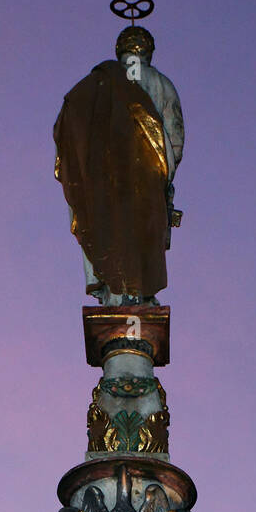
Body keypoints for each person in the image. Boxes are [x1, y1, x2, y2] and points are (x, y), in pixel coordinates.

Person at [53, 25, 184, 304]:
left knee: (106, 228)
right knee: (140, 235)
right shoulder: (161, 84)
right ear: (148, 51)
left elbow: (70, 127)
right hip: (147, 182)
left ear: (120, 50)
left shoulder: (97, 83)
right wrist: (164, 177)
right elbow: (174, 140)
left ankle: (115, 294)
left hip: (103, 183)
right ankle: (138, 294)